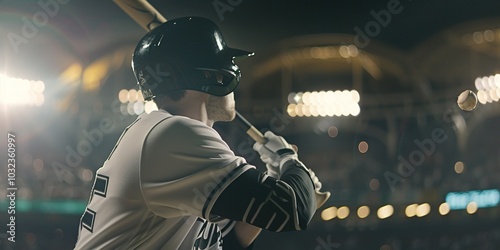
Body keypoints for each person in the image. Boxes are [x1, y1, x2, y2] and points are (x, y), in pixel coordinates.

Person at [74, 16, 325, 250]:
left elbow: (228, 240)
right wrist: (288, 160)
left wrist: (277, 174)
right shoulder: (172, 134)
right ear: (212, 76)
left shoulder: (163, 134)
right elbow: (291, 210)